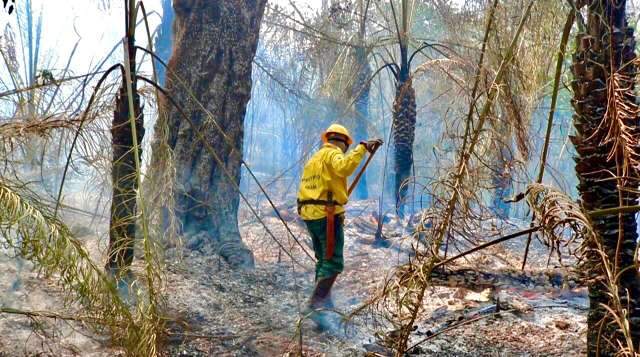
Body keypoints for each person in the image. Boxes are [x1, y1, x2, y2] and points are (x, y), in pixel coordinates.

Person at [297, 123, 382, 317]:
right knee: (333, 262)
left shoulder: (315, 158)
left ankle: (324, 304)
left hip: (310, 214)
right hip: (326, 215)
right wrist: (362, 147)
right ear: (343, 143)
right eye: (347, 147)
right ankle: (316, 304)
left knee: (323, 259)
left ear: (328, 138)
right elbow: (344, 167)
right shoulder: (333, 154)